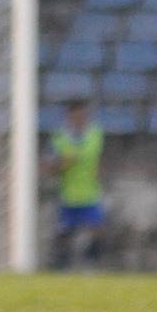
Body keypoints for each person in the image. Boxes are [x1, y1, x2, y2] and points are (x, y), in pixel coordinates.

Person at [48, 101, 105, 270]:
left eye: (82, 113)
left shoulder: (95, 134)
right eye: (76, 114)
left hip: (90, 192)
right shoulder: (59, 137)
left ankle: (91, 265)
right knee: (65, 234)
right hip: (68, 193)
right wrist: (64, 163)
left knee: (97, 231)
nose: (80, 117)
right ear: (69, 116)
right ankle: (62, 267)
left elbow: (97, 158)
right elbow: (50, 165)